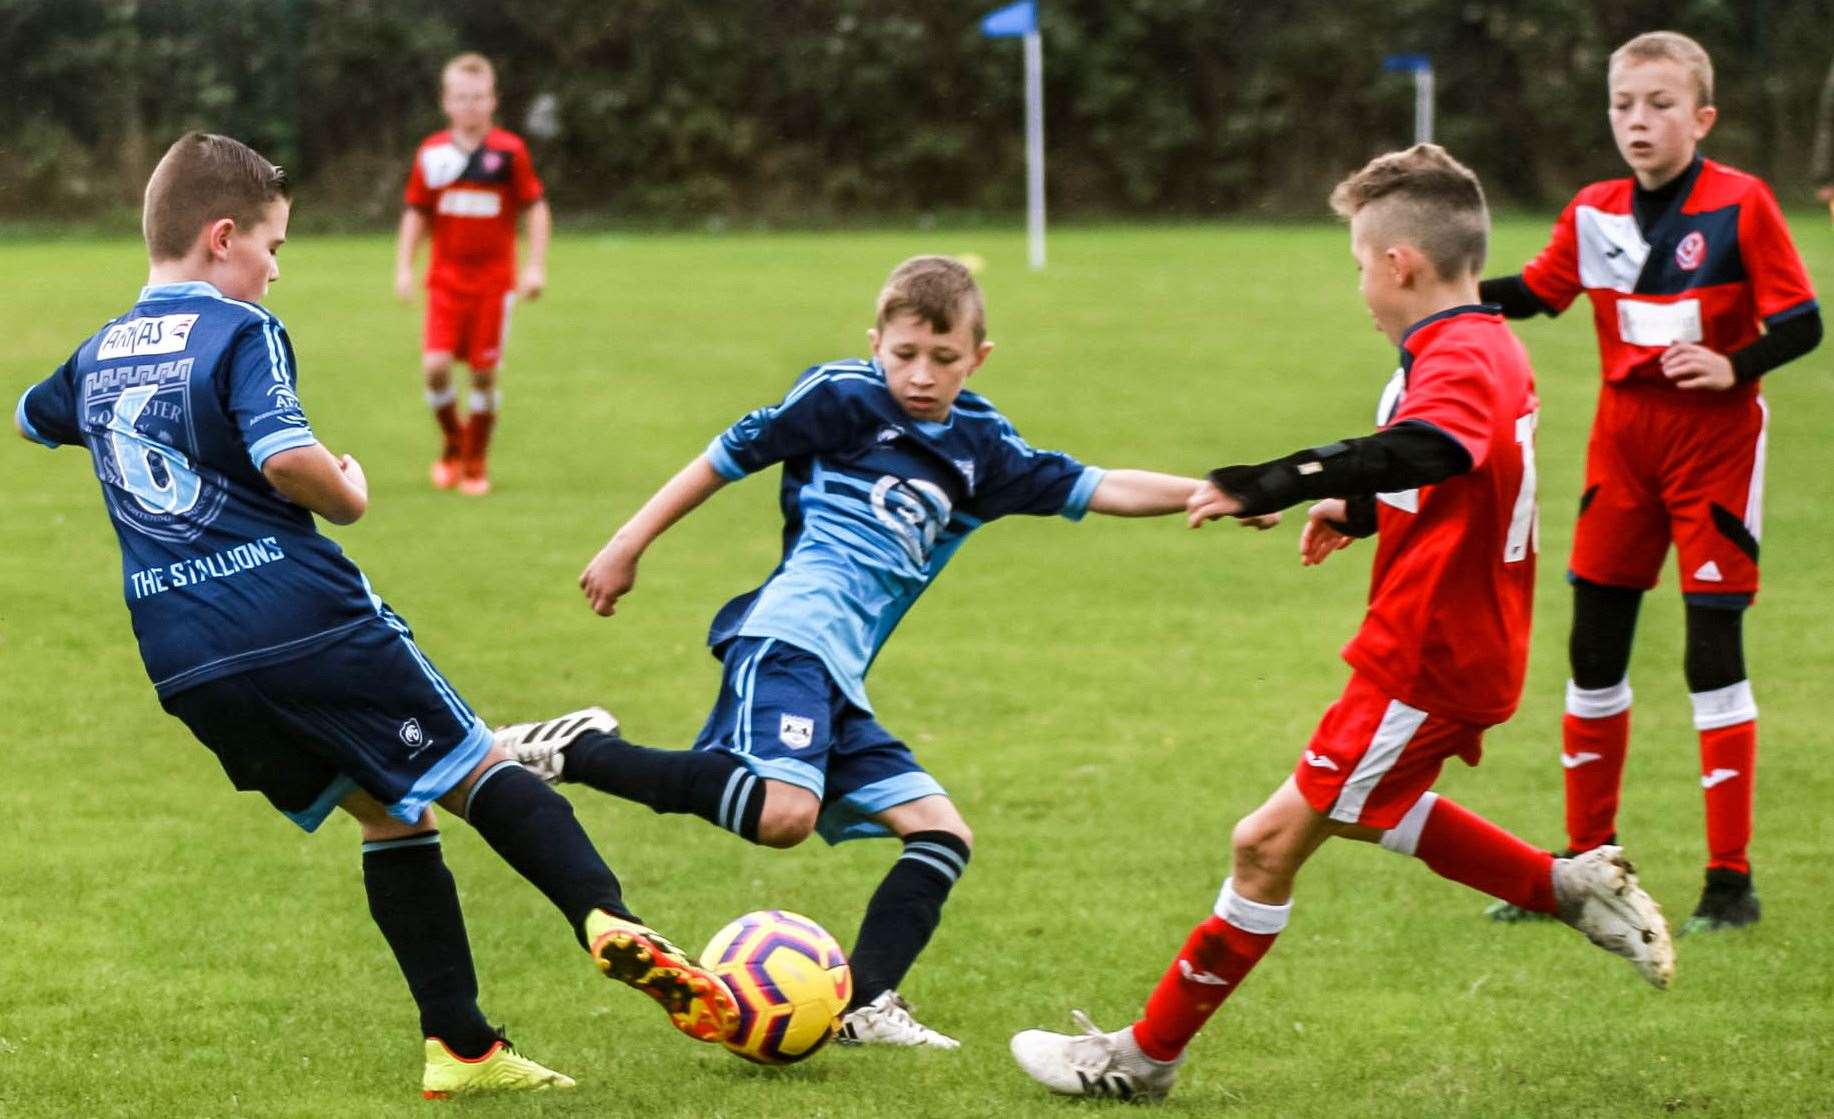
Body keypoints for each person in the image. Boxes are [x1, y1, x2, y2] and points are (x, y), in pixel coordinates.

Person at [13, 132, 734, 1099]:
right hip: (294, 610)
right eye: (272, 245)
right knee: (477, 763)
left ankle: (462, 1047)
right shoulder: (241, 331)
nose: (276, 268)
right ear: (222, 238)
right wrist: (348, 489)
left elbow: (34, 414)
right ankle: (606, 916)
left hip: (184, 654)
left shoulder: (98, 351)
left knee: (391, 813)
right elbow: (283, 456)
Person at [1007, 144, 1675, 1103]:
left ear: (1400, 262)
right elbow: (1458, 474)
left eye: (1361, 262)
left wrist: (1273, 481)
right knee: (1371, 808)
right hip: (1441, 643)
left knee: (1264, 843)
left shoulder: (1460, 357)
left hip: (1429, 655)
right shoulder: (1480, 342)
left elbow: (1435, 444)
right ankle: (1568, 886)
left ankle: (1139, 1060)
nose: (1360, 284)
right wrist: (1360, 512)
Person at [492, 255, 1224, 1050]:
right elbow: (722, 457)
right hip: (789, 635)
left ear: (979, 357)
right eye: (904, 354)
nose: (920, 374)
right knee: (784, 816)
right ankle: (580, 750)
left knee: (941, 832)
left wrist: (1215, 492)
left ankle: (866, 1002)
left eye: (943, 359)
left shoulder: (983, 448)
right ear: (876, 342)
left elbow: (1101, 485)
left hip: (842, 674)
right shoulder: (841, 397)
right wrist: (626, 543)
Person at [1478, 31, 1820, 934]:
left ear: (1701, 118)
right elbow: (1538, 293)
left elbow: (1804, 320)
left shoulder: (1742, 205)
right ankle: (1586, 866)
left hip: (1714, 451)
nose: (1639, 121)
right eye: (1624, 105)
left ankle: (1729, 883)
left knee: (1711, 656)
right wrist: (1444, 285)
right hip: (1621, 450)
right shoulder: (1594, 211)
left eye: (1660, 105)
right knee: (1593, 652)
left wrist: (1735, 362)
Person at [393, 52, 550, 496]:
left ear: (493, 101)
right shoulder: (432, 153)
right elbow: (416, 213)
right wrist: (404, 266)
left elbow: (535, 208)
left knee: (483, 375)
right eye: (461, 97)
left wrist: (536, 266)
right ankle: (453, 443)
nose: (470, 105)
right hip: (445, 281)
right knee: (436, 368)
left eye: (478, 97)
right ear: (447, 102)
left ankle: (475, 461)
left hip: (493, 284)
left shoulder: (509, 152)